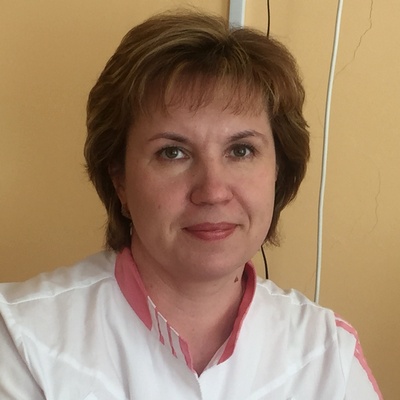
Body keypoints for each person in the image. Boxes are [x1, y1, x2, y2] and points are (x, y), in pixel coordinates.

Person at [0, 10, 382, 399]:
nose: (213, 191)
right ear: (120, 181)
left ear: (279, 172)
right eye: (173, 152)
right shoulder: (21, 341)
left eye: (241, 150)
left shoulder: (328, 358)